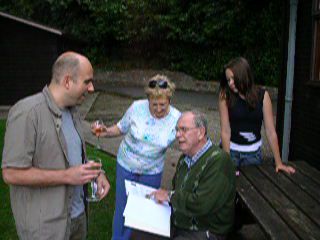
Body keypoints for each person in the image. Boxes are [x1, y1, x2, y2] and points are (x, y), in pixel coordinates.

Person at [1, 51, 110, 240]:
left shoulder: (73, 110)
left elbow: (73, 155)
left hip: (78, 218)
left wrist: (97, 173)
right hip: (47, 229)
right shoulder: (27, 113)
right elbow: (11, 173)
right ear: (67, 81)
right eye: (87, 82)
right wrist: (66, 176)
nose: (91, 88)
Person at [92, 74, 181, 240]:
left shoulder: (176, 118)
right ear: (148, 100)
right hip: (126, 164)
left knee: (144, 211)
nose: (159, 109)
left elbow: (186, 139)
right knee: (123, 207)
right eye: (154, 104)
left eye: (163, 104)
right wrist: (105, 131)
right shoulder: (136, 108)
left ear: (169, 99)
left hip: (152, 170)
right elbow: (120, 128)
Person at [151, 110, 235, 240]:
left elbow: (202, 204)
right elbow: (177, 190)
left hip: (206, 230)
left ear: (201, 132)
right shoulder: (184, 159)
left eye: (184, 129)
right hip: (180, 222)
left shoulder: (219, 161)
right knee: (140, 233)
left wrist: (169, 196)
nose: (178, 135)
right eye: (177, 130)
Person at [218, 57, 295, 174]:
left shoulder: (263, 96)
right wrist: (227, 163)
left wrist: (279, 163)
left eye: (233, 79)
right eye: (228, 80)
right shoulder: (224, 96)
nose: (230, 83)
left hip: (253, 156)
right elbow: (225, 131)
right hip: (231, 154)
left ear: (244, 75)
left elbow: (270, 131)